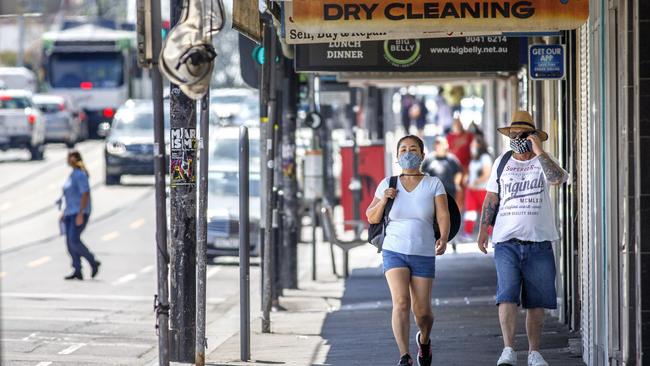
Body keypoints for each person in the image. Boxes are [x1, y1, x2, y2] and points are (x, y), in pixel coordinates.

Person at [477, 111, 569, 366]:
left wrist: (539, 152)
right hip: (507, 241)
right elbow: (492, 197)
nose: (517, 138)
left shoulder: (544, 161)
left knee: (536, 301)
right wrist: (484, 229)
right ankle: (508, 350)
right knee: (506, 294)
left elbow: (557, 179)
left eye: (523, 134)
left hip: (539, 242)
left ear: (533, 136)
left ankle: (534, 352)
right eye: (514, 134)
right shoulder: (502, 162)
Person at [366, 135, 450, 366]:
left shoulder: (433, 183)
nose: (408, 152)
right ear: (397, 156)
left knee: (422, 312)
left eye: (413, 149)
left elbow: (443, 214)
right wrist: (384, 200)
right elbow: (371, 216)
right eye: (403, 149)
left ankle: (424, 340)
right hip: (394, 250)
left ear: (422, 155)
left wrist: (443, 238)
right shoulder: (388, 184)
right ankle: (404, 356)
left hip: (423, 252)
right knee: (401, 302)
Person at [60, 150, 100, 280]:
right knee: (69, 242)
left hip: (79, 212)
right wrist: (64, 212)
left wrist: (81, 213)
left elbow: (85, 193)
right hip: (69, 212)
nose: (70, 161)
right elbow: (69, 195)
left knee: (74, 240)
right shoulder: (71, 175)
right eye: (69, 158)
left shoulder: (80, 175)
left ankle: (93, 261)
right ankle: (77, 269)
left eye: (72, 158)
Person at [462, 135, 493, 239]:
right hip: (471, 190)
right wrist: (467, 179)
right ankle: (468, 232)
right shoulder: (474, 158)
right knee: (470, 212)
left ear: (479, 145)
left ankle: (490, 234)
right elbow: (471, 173)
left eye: (473, 143)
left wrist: (476, 181)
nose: (471, 145)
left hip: (482, 190)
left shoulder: (485, 157)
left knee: (485, 213)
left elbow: (487, 173)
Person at [422, 136, 463, 203]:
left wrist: (456, 184)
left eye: (440, 144)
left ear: (445, 145)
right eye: (437, 144)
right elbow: (422, 173)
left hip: (449, 192)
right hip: (433, 192)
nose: (438, 146)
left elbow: (458, 172)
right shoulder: (429, 159)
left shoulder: (451, 159)